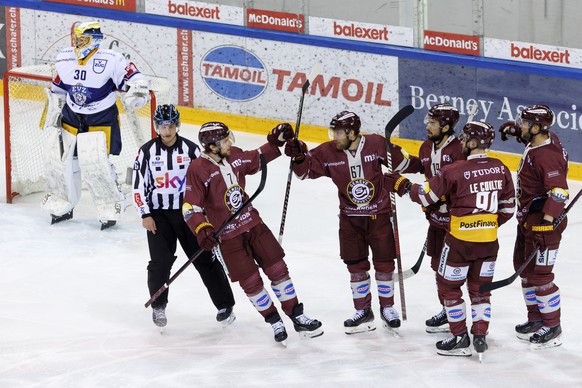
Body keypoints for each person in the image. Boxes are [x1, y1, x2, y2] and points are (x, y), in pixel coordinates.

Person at [182, 121, 323, 345]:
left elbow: (256, 158)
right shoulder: (197, 170)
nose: (230, 143)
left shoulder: (235, 155)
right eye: (225, 140)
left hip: (253, 224)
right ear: (211, 147)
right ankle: (274, 320)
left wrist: (276, 142)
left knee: (278, 269)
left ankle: (297, 315)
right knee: (251, 282)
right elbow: (190, 208)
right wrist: (202, 229)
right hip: (228, 237)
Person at [284, 111, 422, 335]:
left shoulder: (376, 144)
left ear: (351, 132)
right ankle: (363, 311)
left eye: (338, 132)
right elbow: (304, 172)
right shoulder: (327, 151)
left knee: (385, 264)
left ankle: (387, 308)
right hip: (350, 219)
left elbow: (405, 163)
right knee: (356, 266)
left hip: (379, 216)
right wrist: (299, 157)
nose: (334, 136)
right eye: (333, 132)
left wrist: (434, 171)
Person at [386, 121, 515, 358]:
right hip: (489, 242)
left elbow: (426, 196)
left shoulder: (454, 170)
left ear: (474, 142)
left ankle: (460, 337)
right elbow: (508, 208)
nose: (462, 142)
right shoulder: (502, 168)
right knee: (481, 290)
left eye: (465, 139)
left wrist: (401, 185)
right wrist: (486, 224)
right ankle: (479, 335)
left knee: (449, 287)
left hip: (459, 243)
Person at [132, 105, 236, 329]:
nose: (166, 130)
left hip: (189, 214)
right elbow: (138, 186)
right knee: (160, 263)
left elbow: (207, 179)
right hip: (158, 217)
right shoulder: (146, 152)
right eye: (162, 125)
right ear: (156, 126)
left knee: (204, 258)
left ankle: (225, 305)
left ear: (177, 125)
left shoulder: (191, 150)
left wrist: (210, 212)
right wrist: (145, 214)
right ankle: (158, 305)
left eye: (170, 125)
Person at [41, 20, 150, 230]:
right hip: (71, 116)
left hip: (100, 117)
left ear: (95, 39)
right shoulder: (64, 57)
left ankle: (109, 207)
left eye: (82, 39)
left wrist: (138, 90)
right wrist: (54, 113)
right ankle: (62, 203)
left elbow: (136, 78)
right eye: (76, 39)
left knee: (96, 163)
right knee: (60, 160)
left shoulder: (112, 60)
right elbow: (58, 89)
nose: (77, 43)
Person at [499, 105, 569, 350]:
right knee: (524, 268)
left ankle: (552, 326)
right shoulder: (541, 141)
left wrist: (547, 225)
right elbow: (533, 147)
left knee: (540, 276)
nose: (523, 126)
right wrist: (519, 133)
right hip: (529, 217)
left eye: (526, 124)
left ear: (538, 128)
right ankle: (536, 318)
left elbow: (559, 193)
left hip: (543, 221)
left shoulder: (547, 156)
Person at [414, 104, 466, 333]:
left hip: (455, 222)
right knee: (437, 265)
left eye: (433, 123)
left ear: (445, 127)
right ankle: (447, 310)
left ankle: (460, 314)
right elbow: (426, 175)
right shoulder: (426, 148)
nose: (428, 126)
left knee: (452, 271)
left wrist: (445, 201)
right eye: (429, 121)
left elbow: (464, 184)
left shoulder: (459, 150)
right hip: (435, 219)